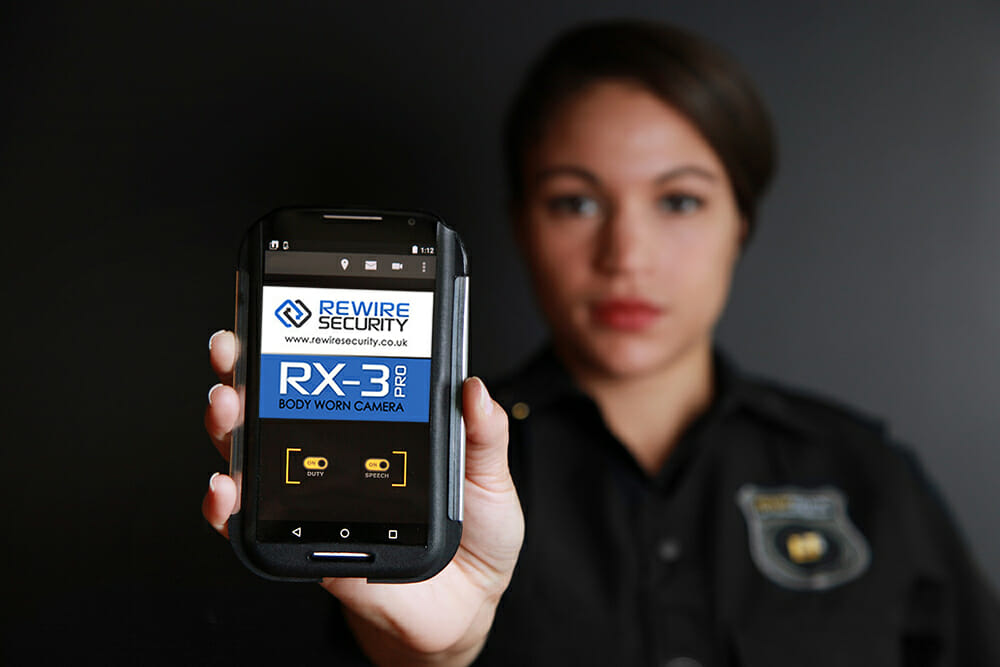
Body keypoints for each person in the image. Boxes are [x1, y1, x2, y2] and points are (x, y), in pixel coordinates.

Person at [202, 19, 1000, 666]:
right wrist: (430, 659)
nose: (627, 255)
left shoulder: (869, 474)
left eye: (680, 202)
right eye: (576, 203)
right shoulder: (428, 483)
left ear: (741, 225)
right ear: (522, 226)